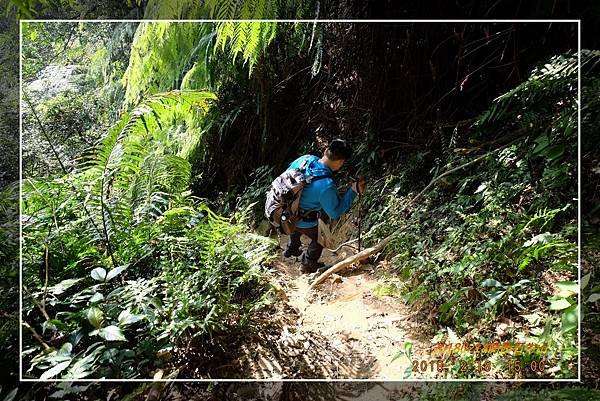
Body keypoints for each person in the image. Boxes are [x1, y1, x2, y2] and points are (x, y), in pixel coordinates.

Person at [283, 139, 366, 273]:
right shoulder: (326, 185)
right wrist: (353, 191)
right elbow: (335, 212)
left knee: (298, 212)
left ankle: (292, 246)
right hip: (302, 220)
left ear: (326, 150)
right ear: (341, 162)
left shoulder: (305, 159)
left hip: (286, 211)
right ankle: (308, 263)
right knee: (322, 237)